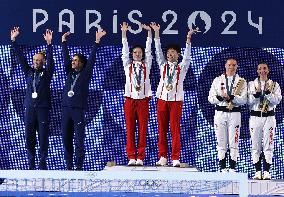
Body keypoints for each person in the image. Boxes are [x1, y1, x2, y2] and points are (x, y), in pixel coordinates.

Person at [150, 23, 199, 167]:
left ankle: (175, 157)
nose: (170, 54)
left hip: (176, 101)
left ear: (178, 55)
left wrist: (188, 38)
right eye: (169, 52)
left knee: (175, 130)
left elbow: (188, 56)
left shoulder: (182, 67)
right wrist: (157, 33)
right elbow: (157, 50)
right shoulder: (162, 65)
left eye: (173, 52)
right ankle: (163, 156)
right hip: (162, 100)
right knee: (161, 129)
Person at [61, 29, 106, 170]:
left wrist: (97, 42)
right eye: (72, 60)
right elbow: (65, 57)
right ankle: (69, 166)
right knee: (66, 139)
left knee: (79, 140)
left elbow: (91, 59)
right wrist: (63, 42)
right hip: (66, 109)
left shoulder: (86, 74)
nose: (72, 62)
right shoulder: (69, 73)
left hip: (78, 110)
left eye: (75, 60)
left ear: (81, 63)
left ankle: (79, 167)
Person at [11, 27, 54, 170]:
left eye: (38, 60)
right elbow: (21, 58)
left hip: (42, 108)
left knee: (42, 137)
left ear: (43, 61)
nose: (35, 61)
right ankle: (30, 165)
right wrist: (13, 41)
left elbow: (51, 63)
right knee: (29, 137)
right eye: (34, 59)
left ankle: (42, 164)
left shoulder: (47, 74)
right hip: (29, 108)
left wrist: (49, 45)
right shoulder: (29, 72)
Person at [121, 22, 152, 166]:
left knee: (143, 129)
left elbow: (150, 50)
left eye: (139, 52)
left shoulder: (147, 65)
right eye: (135, 53)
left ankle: (140, 157)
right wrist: (124, 33)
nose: (137, 54)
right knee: (130, 129)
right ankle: (131, 157)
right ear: (132, 55)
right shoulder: (127, 65)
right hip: (129, 100)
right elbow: (124, 50)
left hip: (143, 101)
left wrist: (149, 34)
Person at [208, 58, 247, 172]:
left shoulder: (241, 81)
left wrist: (233, 98)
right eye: (229, 65)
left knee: (234, 142)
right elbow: (210, 98)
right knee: (221, 142)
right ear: (225, 65)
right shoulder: (217, 80)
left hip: (234, 114)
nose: (231, 67)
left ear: (237, 66)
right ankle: (223, 168)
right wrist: (220, 98)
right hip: (220, 113)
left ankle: (233, 168)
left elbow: (244, 100)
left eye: (234, 65)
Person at [248, 63, 282, 180]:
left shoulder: (274, 85)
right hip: (255, 117)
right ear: (257, 71)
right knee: (255, 145)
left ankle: (267, 171)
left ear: (268, 70)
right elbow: (248, 101)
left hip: (269, 117)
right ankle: (257, 171)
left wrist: (268, 93)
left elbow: (277, 101)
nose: (262, 71)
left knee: (268, 145)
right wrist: (257, 94)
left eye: (264, 68)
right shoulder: (252, 84)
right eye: (260, 69)